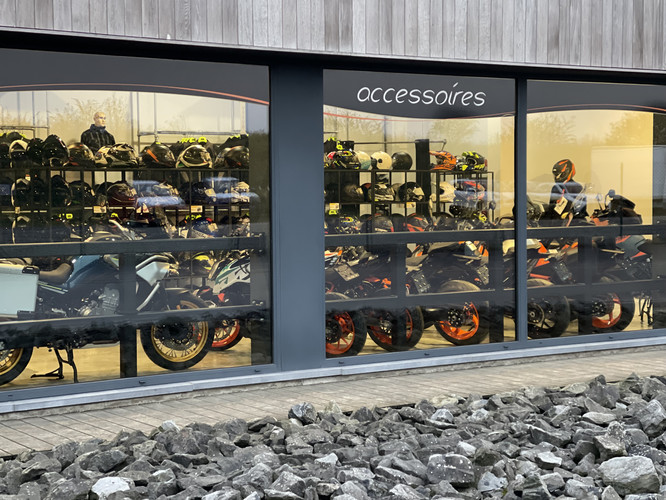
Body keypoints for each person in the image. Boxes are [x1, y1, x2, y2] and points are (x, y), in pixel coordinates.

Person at [545, 158, 587, 224]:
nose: (556, 178)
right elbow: (551, 209)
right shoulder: (555, 188)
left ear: (565, 173)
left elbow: (580, 211)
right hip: (556, 223)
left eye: (558, 175)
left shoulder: (577, 187)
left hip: (570, 223)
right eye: (555, 175)